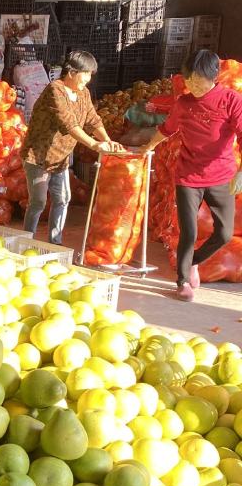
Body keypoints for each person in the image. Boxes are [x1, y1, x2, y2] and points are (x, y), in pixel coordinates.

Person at [142, 49, 242, 301]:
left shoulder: (231, 100)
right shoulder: (184, 103)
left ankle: (194, 261)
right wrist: (147, 147)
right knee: (188, 232)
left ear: (213, 77)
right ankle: (183, 280)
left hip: (222, 177)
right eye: (189, 80)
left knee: (224, 233)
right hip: (187, 177)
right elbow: (167, 129)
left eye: (198, 80)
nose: (192, 85)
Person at [21, 50, 124, 244]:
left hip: (61, 158)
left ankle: (55, 242)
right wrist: (94, 144)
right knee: (38, 202)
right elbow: (69, 124)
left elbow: (93, 120)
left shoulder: (83, 93)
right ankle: (27, 241)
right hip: (39, 156)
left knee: (62, 199)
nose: (88, 79)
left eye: (90, 75)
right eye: (86, 74)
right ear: (71, 72)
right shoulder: (55, 90)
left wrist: (107, 140)